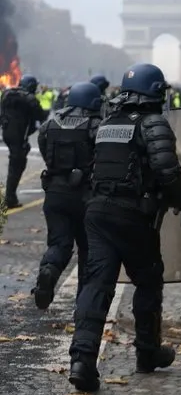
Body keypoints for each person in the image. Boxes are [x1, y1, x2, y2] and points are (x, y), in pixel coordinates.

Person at [68, 63, 181, 392]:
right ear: (155, 92)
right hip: (132, 218)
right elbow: (168, 173)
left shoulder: (106, 123)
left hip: (97, 214)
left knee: (95, 286)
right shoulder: (153, 122)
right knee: (147, 282)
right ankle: (147, 353)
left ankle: (82, 361)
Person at [33, 82, 102, 310]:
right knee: (87, 249)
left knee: (59, 243)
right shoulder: (96, 125)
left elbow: (44, 147)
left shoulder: (51, 122)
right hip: (84, 194)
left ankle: (48, 272)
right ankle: (83, 301)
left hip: (54, 192)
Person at [0, 75, 47, 208]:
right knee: (17, 165)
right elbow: (40, 115)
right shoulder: (29, 98)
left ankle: (10, 196)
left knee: (15, 164)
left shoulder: (7, 94)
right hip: (20, 136)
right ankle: (10, 198)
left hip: (7, 134)